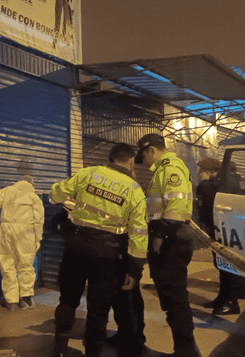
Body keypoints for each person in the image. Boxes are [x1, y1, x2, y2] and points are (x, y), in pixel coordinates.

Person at [49, 143, 148, 357]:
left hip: (76, 249)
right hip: (108, 255)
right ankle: (93, 353)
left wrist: (70, 202)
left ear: (110, 157)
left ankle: (58, 350)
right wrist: (134, 269)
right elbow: (138, 233)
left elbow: (56, 194)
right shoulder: (133, 189)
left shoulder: (88, 173)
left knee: (67, 300)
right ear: (131, 161)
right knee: (98, 309)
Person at [134, 133, 201, 357]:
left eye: (143, 155)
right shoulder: (162, 171)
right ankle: (185, 349)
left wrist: (159, 236)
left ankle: (186, 351)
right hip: (169, 240)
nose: (142, 160)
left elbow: (177, 206)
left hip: (171, 242)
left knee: (175, 300)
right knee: (171, 299)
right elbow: (162, 204)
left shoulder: (170, 168)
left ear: (151, 149)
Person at [196, 158, 245, 316]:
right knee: (221, 264)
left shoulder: (227, 181)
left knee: (228, 265)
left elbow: (214, 200)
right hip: (219, 227)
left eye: (202, 171)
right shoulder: (218, 181)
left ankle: (232, 302)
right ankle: (223, 297)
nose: (199, 174)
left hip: (228, 229)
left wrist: (204, 183)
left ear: (211, 171)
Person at [0, 175, 45, 311]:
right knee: (26, 264)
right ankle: (26, 299)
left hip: (6, 229)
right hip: (25, 232)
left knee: (7, 263)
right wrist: (38, 238)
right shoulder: (34, 197)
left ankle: (11, 302)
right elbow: (39, 220)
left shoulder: (7, 190)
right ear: (31, 184)